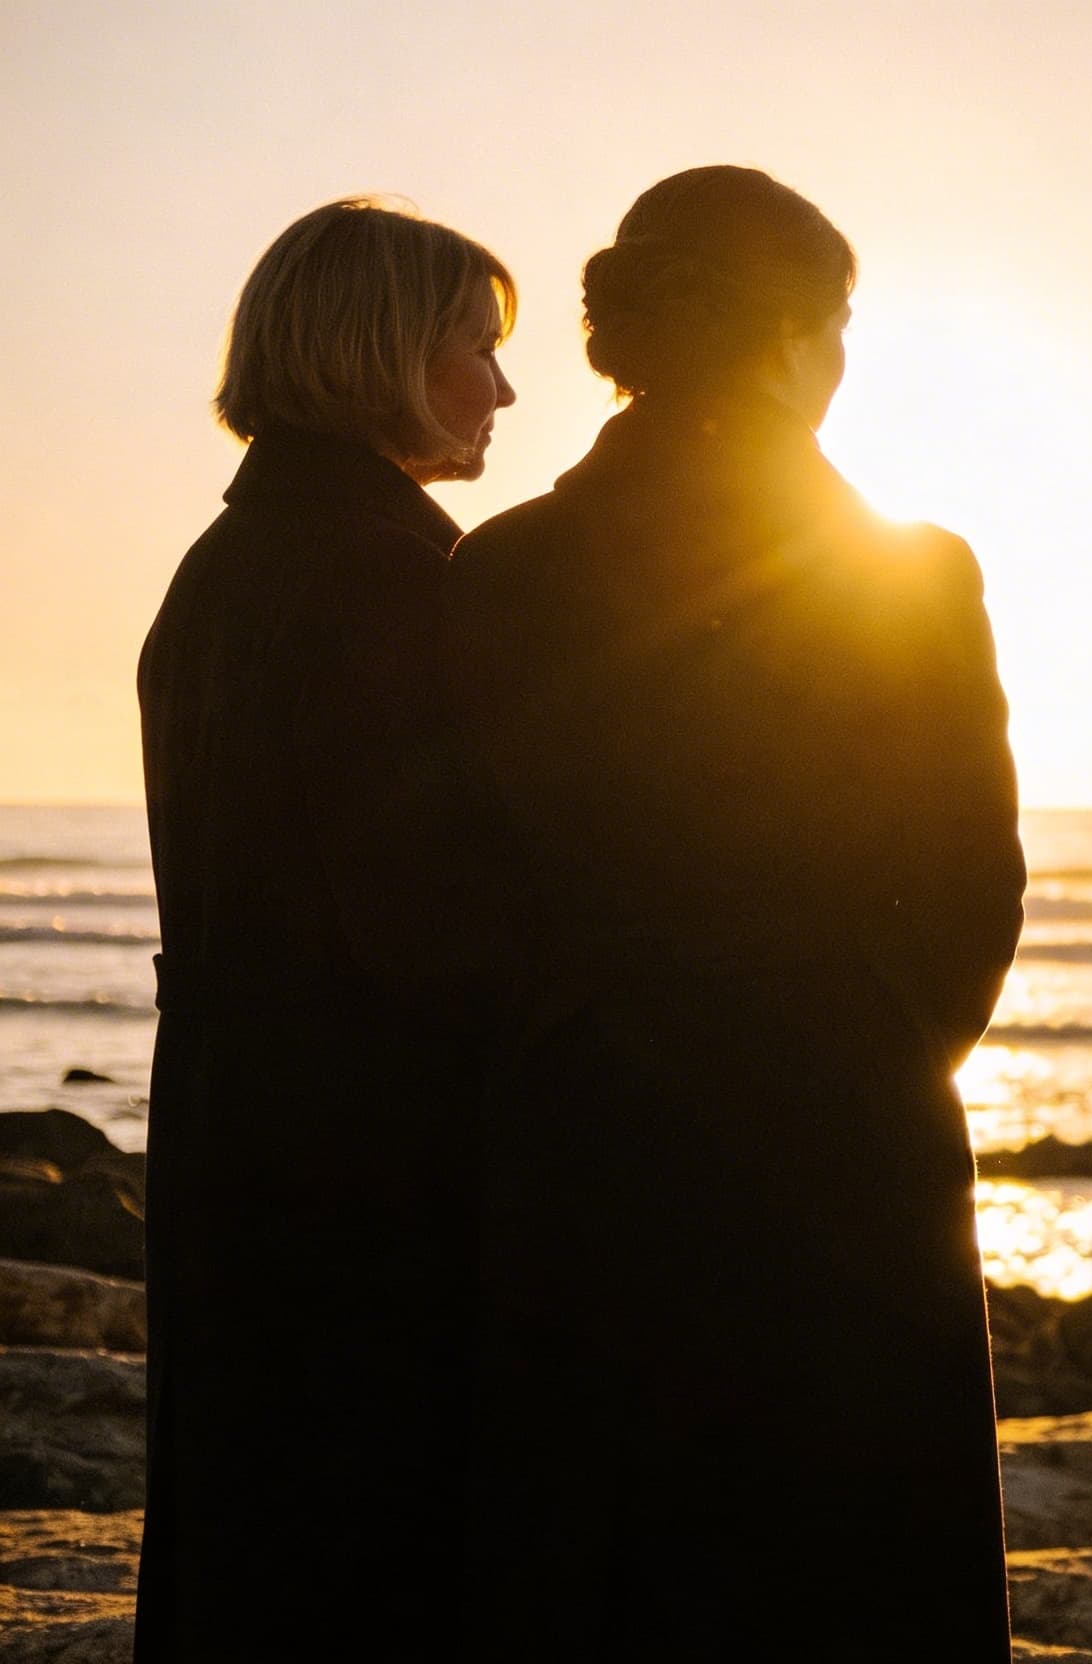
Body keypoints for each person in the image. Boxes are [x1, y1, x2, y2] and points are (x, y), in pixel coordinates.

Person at [440, 166, 1024, 1659]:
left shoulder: (498, 571)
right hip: (846, 1146)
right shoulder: (904, 570)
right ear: (786, 338)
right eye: (835, 326)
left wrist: (554, 1051)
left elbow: (453, 884)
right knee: (853, 1579)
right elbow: (973, 882)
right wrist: (885, 1044)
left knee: (603, 1575)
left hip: (579, 1151)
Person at [136, 198, 517, 1659]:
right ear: (381, 355)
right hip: (371, 1165)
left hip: (244, 1139)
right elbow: (431, 920)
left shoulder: (226, 566)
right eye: (473, 345)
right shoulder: (386, 579)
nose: (501, 385)